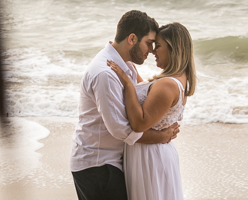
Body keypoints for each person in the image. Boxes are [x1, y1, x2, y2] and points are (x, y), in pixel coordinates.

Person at [71, 10, 181, 200]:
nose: (151, 50)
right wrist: (160, 136)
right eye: (148, 43)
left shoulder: (126, 66)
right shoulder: (105, 73)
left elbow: (143, 98)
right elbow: (120, 129)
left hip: (110, 162)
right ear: (132, 39)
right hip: (97, 165)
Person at [107, 22, 196, 200]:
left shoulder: (167, 85)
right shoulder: (176, 80)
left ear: (173, 49)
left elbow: (139, 123)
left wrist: (126, 83)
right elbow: (145, 91)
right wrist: (128, 63)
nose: (153, 51)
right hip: (154, 153)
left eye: (158, 46)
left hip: (149, 158)